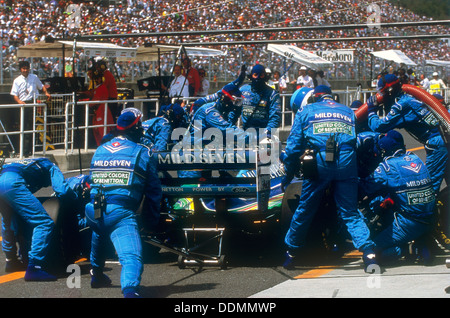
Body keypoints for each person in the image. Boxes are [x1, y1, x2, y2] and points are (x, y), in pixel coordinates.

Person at [282, 85, 377, 272]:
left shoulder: (306, 110)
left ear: (314, 98)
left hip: (321, 162)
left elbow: (293, 147)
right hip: (347, 161)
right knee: (350, 211)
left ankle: (291, 253)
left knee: (305, 209)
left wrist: (288, 173)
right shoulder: (347, 110)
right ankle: (369, 253)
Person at [85, 110, 162, 298]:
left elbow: (90, 180)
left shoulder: (101, 149)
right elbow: (154, 190)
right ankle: (130, 291)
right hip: (120, 212)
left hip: (93, 209)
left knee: (100, 229)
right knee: (132, 258)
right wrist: (151, 222)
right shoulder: (142, 152)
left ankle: (96, 273)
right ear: (136, 127)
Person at [358, 130, 436, 264]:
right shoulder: (415, 158)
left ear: (384, 150)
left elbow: (364, 187)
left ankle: (411, 249)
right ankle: (423, 238)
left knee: (372, 251)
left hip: (409, 223)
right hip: (430, 217)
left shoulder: (388, 167)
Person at [366, 73, 448, 194]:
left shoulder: (402, 105)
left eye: (383, 93)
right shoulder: (410, 98)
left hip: (436, 143)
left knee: (427, 186)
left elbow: (379, 126)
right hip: (443, 139)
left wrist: (371, 111)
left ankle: (430, 211)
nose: (382, 96)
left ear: (390, 91)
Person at [0, 157, 76, 280]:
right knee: (43, 222)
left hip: (2, 179)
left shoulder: (26, 162)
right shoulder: (51, 166)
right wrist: (75, 200)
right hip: (13, 182)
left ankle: (11, 261)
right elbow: (62, 191)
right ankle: (34, 267)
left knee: (8, 222)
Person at [10, 60, 51, 156]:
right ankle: (23, 151)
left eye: (27, 68)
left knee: (32, 126)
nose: (25, 70)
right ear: (20, 69)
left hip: (33, 103)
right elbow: (14, 95)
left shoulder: (34, 77)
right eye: (23, 68)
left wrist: (46, 93)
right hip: (23, 104)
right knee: (23, 127)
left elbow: (41, 86)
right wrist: (20, 102)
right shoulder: (17, 80)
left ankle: (30, 150)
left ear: (29, 69)